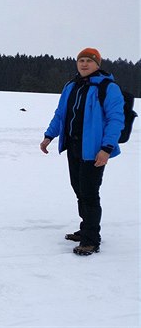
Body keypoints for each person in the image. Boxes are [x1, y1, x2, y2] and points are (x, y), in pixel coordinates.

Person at [40, 47, 125, 256]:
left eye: (89, 60)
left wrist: (106, 149)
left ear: (98, 64)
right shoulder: (71, 86)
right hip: (74, 147)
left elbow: (116, 120)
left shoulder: (108, 87)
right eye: (81, 60)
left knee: (89, 193)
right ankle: (85, 228)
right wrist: (49, 136)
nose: (84, 64)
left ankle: (91, 240)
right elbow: (61, 114)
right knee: (79, 189)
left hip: (94, 150)